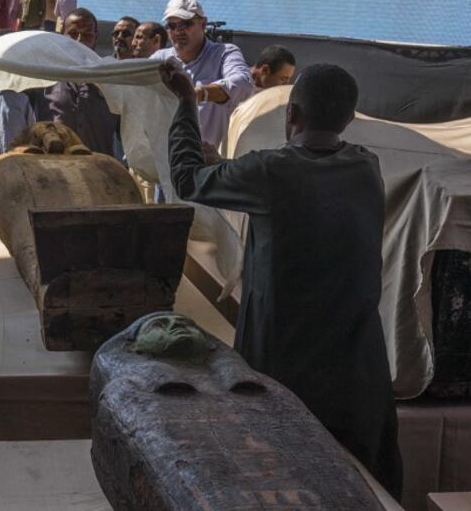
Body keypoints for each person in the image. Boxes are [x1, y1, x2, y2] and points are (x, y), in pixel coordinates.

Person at [162, 61, 403, 497]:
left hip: (285, 362)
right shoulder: (367, 167)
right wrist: (228, 166)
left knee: (282, 472)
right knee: (358, 481)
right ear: (349, 118)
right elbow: (299, 179)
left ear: (291, 114)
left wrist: (184, 103)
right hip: (354, 364)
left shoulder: (268, 171)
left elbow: (186, 180)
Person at [150, 0, 251, 152]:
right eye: (171, 26)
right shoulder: (159, 60)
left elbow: (243, 84)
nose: (178, 32)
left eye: (186, 24)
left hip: (208, 163)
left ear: (203, 24)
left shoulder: (225, 53)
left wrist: (201, 93)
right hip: (164, 160)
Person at [36, 8, 118, 156]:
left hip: (99, 169)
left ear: (96, 37)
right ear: (62, 34)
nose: (79, 41)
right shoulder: (42, 75)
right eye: (73, 34)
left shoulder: (111, 77)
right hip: (53, 168)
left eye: (87, 35)